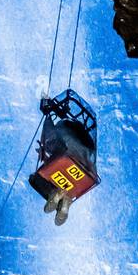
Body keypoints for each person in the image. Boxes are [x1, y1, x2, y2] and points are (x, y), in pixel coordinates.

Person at [28, 96, 97, 226]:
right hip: (85, 174)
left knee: (35, 178)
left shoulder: (62, 129)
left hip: (66, 162)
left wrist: (48, 115)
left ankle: (56, 194)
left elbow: (50, 137)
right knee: (66, 181)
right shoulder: (89, 143)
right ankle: (65, 202)